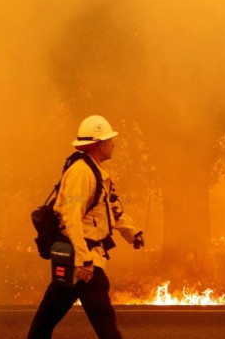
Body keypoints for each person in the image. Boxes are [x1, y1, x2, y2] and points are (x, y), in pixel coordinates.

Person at [28, 115, 144, 339]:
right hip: (82, 259)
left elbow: (110, 210)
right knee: (105, 322)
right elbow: (71, 218)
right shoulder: (81, 173)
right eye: (109, 140)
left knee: (48, 316)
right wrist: (84, 261)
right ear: (99, 144)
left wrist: (133, 233)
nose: (113, 144)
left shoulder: (95, 172)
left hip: (74, 257)